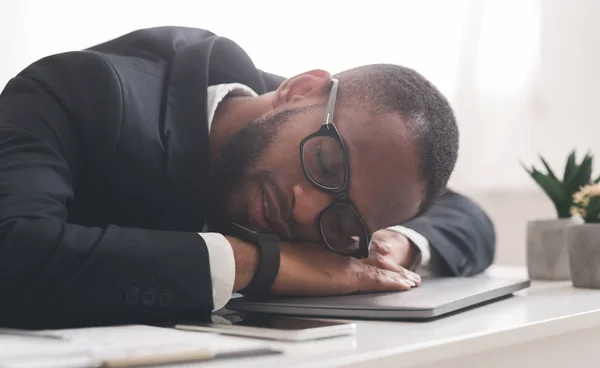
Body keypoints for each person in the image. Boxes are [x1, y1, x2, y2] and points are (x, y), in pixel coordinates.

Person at [0, 26, 495, 328]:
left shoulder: (325, 127)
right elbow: (12, 249)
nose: (305, 211)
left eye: (342, 219)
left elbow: (468, 215)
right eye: (325, 165)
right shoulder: (81, 90)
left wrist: (386, 245)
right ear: (299, 88)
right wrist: (258, 263)